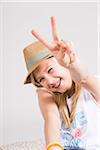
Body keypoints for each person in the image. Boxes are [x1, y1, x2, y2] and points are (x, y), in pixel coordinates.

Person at [23, 16, 100, 150]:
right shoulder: (45, 93)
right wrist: (53, 147)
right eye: (41, 79)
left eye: (50, 70)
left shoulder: (91, 87)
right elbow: (51, 118)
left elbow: (84, 77)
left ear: (61, 62)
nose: (49, 81)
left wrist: (71, 64)